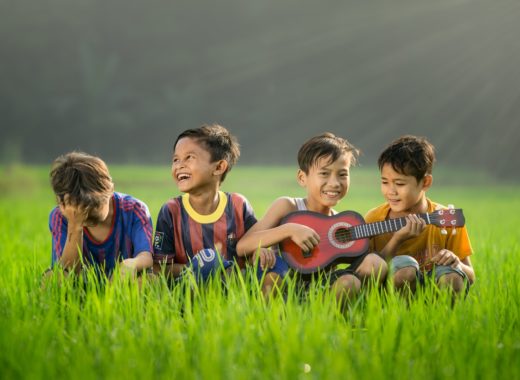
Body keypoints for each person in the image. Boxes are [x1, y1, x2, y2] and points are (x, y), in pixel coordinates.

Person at [236, 133, 387, 305]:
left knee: (367, 269)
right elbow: (242, 246)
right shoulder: (288, 206)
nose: (335, 183)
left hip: (319, 292)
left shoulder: (339, 222)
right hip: (284, 287)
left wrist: (400, 234)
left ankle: (338, 318)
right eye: (324, 173)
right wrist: (290, 229)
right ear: (302, 178)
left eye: (342, 174)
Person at [152, 124, 287, 293]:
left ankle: (263, 314)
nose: (180, 165)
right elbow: (159, 267)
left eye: (189, 158)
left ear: (218, 167)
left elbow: (253, 245)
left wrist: (261, 251)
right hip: (190, 291)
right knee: (209, 260)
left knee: (278, 264)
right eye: (176, 159)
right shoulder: (171, 211)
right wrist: (210, 267)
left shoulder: (238, 205)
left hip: (237, 289)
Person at [364, 135, 475, 298]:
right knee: (405, 271)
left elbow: (471, 277)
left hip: (432, 290)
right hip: (389, 294)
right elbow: (367, 277)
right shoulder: (374, 218)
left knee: (453, 277)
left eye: (400, 184)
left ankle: (441, 321)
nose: (391, 191)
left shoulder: (446, 219)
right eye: (385, 182)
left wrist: (457, 263)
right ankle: (402, 319)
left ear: (425, 183)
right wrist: (397, 239)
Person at [48, 151, 153, 278]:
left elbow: (146, 256)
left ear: (110, 189)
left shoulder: (134, 209)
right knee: (53, 279)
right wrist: (75, 226)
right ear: (63, 203)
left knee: (150, 280)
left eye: (92, 206)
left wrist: (132, 264)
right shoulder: (60, 216)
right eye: (78, 207)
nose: (84, 213)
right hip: (81, 284)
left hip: (123, 282)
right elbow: (67, 271)